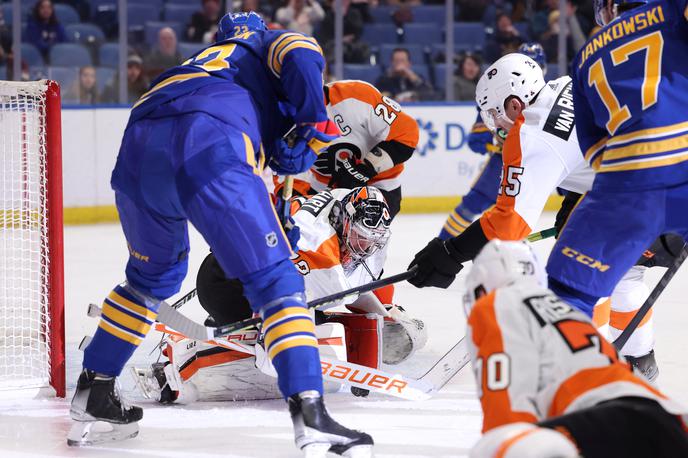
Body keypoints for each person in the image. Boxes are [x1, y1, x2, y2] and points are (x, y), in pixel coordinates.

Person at [68, 12, 373, 456]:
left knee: (153, 278)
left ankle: (94, 388)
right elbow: (302, 52)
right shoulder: (265, 43)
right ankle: (312, 416)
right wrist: (312, 125)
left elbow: (255, 154)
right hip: (209, 138)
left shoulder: (207, 63)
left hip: (138, 146)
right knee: (277, 280)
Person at [411, 53, 676, 381]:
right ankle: (640, 360)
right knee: (625, 274)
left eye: (495, 113)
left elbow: (509, 225)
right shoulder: (565, 84)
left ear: (513, 104)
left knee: (578, 275)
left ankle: (591, 373)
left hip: (647, 201)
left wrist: (451, 253)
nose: (495, 124)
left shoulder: (531, 133)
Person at [133, 186, 427, 403]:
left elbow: (356, 286)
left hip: (247, 269)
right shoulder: (319, 245)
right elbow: (344, 292)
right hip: (226, 283)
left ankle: (248, 327)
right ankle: (179, 364)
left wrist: (383, 313)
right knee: (305, 337)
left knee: (314, 318)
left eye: (372, 239)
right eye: (361, 237)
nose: (366, 246)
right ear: (345, 221)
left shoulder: (343, 203)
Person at [545, 0, 688, 375]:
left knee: (568, 289)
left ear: (607, 8)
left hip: (627, 184)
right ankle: (639, 361)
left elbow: (598, 155)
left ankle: (578, 381)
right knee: (625, 279)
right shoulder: (671, 11)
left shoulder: (585, 58)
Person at [463, 240, 688, 458]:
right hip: (667, 415)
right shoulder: (568, 311)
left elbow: (505, 415)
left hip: (605, 420)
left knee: (497, 443)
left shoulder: (495, 305)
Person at [439, 42, 546, 240]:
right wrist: (495, 142)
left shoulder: (552, 102)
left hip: (535, 163)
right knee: (473, 205)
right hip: (503, 163)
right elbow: (476, 140)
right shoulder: (498, 101)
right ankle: (442, 244)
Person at [287, 80, 419, 218]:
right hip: (322, 191)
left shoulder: (356, 95)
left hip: (378, 186)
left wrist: (365, 168)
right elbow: (288, 174)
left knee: (362, 228)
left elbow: (407, 133)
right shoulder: (281, 118)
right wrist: (296, 205)